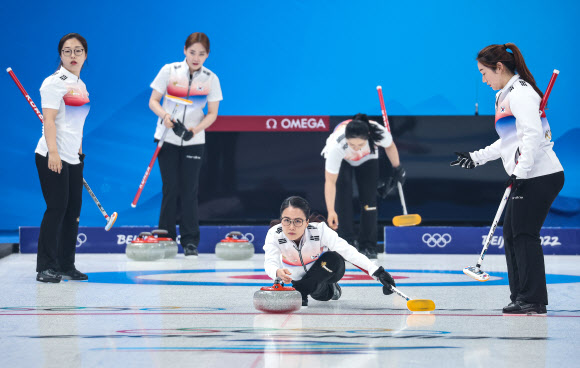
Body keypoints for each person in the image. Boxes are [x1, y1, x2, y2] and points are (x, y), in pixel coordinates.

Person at [451, 43, 564, 314]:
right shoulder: (504, 95)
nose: (483, 79)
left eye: (484, 72)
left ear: (499, 67)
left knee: (524, 234)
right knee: (511, 234)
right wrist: (476, 157)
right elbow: (508, 141)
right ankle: (521, 296)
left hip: (540, 174)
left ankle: (533, 300)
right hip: (528, 174)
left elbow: (532, 136)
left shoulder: (521, 93)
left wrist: (521, 172)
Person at [149, 32, 223, 256]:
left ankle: (190, 242)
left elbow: (212, 114)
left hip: (193, 140)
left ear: (207, 55)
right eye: (192, 52)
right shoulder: (169, 70)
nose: (196, 57)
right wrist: (165, 116)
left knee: (190, 191)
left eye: (201, 53)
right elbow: (153, 100)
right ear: (185, 50)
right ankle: (166, 237)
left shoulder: (211, 78)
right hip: (167, 137)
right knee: (170, 188)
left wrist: (195, 130)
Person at [263, 196, 397, 306]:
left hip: (325, 271)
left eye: (298, 221)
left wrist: (378, 273)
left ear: (306, 222)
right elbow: (270, 261)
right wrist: (276, 271)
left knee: (334, 258)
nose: (291, 227)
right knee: (321, 295)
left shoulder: (319, 230)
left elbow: (347, 251)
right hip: (298, 280)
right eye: (286, 220)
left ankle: (301, 292)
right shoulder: (274, 234)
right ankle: (323, 290)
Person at [35, 33, 90, 282]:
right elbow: (49, 120)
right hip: (52, 154)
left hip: (73, 156)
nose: (73, 56)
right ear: (61, 55)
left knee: (73, 212)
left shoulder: (81, 85)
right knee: (56, 208)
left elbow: (75, 123)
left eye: (78, 51)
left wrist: (79, 148)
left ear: (85, 55)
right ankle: (46, 266)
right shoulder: (53, 83)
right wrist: (54, 153)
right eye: (67, 51)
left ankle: (67, 264)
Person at [321, 113, 405, 259]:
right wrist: (330, 210)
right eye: (352, 144)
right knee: (343, 197)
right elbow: (330, 182)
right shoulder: (337, 145)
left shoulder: (378, 133)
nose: (356, 149)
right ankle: (346, 242)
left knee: (369, 200)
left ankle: (368, 245)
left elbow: (390, 146)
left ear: (368, 136)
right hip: (344, 160)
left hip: (368, 158)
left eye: (360, 144)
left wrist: (397, 169)